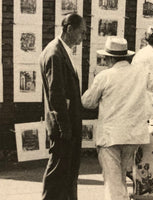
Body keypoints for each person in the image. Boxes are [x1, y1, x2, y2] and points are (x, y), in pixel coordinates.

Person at [81, 36, 153, 200]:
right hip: (134, 136)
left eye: (105, 58)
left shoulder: (104, 76)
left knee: (113, 183)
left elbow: (87, 102)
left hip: (110, 137)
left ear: (109, 58)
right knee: (121, 178)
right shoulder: (141, 73)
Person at [40, 13, 86, 200]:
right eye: (81, 32)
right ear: (69, 29)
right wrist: (65, 129)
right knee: (58, 173)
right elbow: (56, 94)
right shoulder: (55, 53)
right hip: (63, 126)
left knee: (67, 173)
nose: (83, 37)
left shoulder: (60, 51)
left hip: (67, 124)